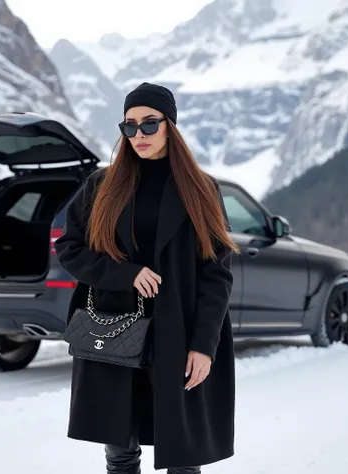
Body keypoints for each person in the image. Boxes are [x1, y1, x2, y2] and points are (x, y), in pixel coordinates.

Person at [54, 82, 239, 474]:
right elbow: (69, 249)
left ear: (170, 125)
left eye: (149, 124)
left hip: (178, 333)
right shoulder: (101, 186)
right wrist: (125, 274)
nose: (138, 135)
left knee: (183, 455)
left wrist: (204, 346)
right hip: (113, 330)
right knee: (120, 452)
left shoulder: (203, 190)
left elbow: (216, 274)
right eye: (129, 126)